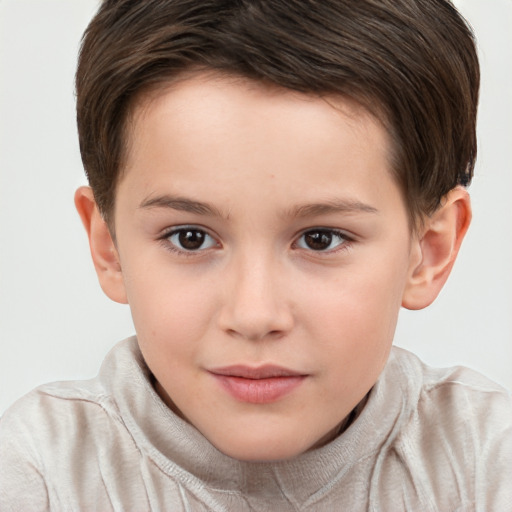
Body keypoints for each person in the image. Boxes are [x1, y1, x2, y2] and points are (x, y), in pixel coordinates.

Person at [0, 0, 510, 509]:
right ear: (108, 245)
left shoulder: (484, 459)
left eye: (320, 239)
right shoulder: (39, 471)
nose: (254, 315)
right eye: (190, 237)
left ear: (428, 251)